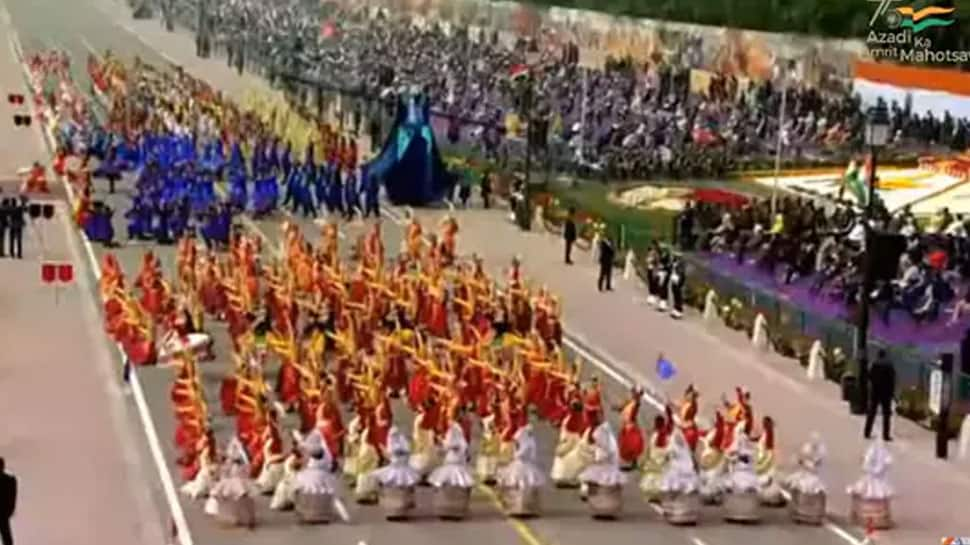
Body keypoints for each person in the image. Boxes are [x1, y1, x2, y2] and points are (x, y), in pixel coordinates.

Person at [864, 350, 896, 441]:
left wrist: (872, 385)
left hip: (875, 391)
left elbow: (869, 376)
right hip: (886, 393)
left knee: (872, 412)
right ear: (885, 355)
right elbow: (892, 380)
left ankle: (867, 432)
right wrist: (892, 393)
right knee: (886, 415)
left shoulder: (874, 364)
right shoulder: (889, 365)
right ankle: (886, 435)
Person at [0, 457, 16, 545]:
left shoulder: (10, 480)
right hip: (4, 513)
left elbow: (12, 497)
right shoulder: (10, 480)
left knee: (6, 537)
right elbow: (12, 497)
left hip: (4, 512)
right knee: (6, 537)